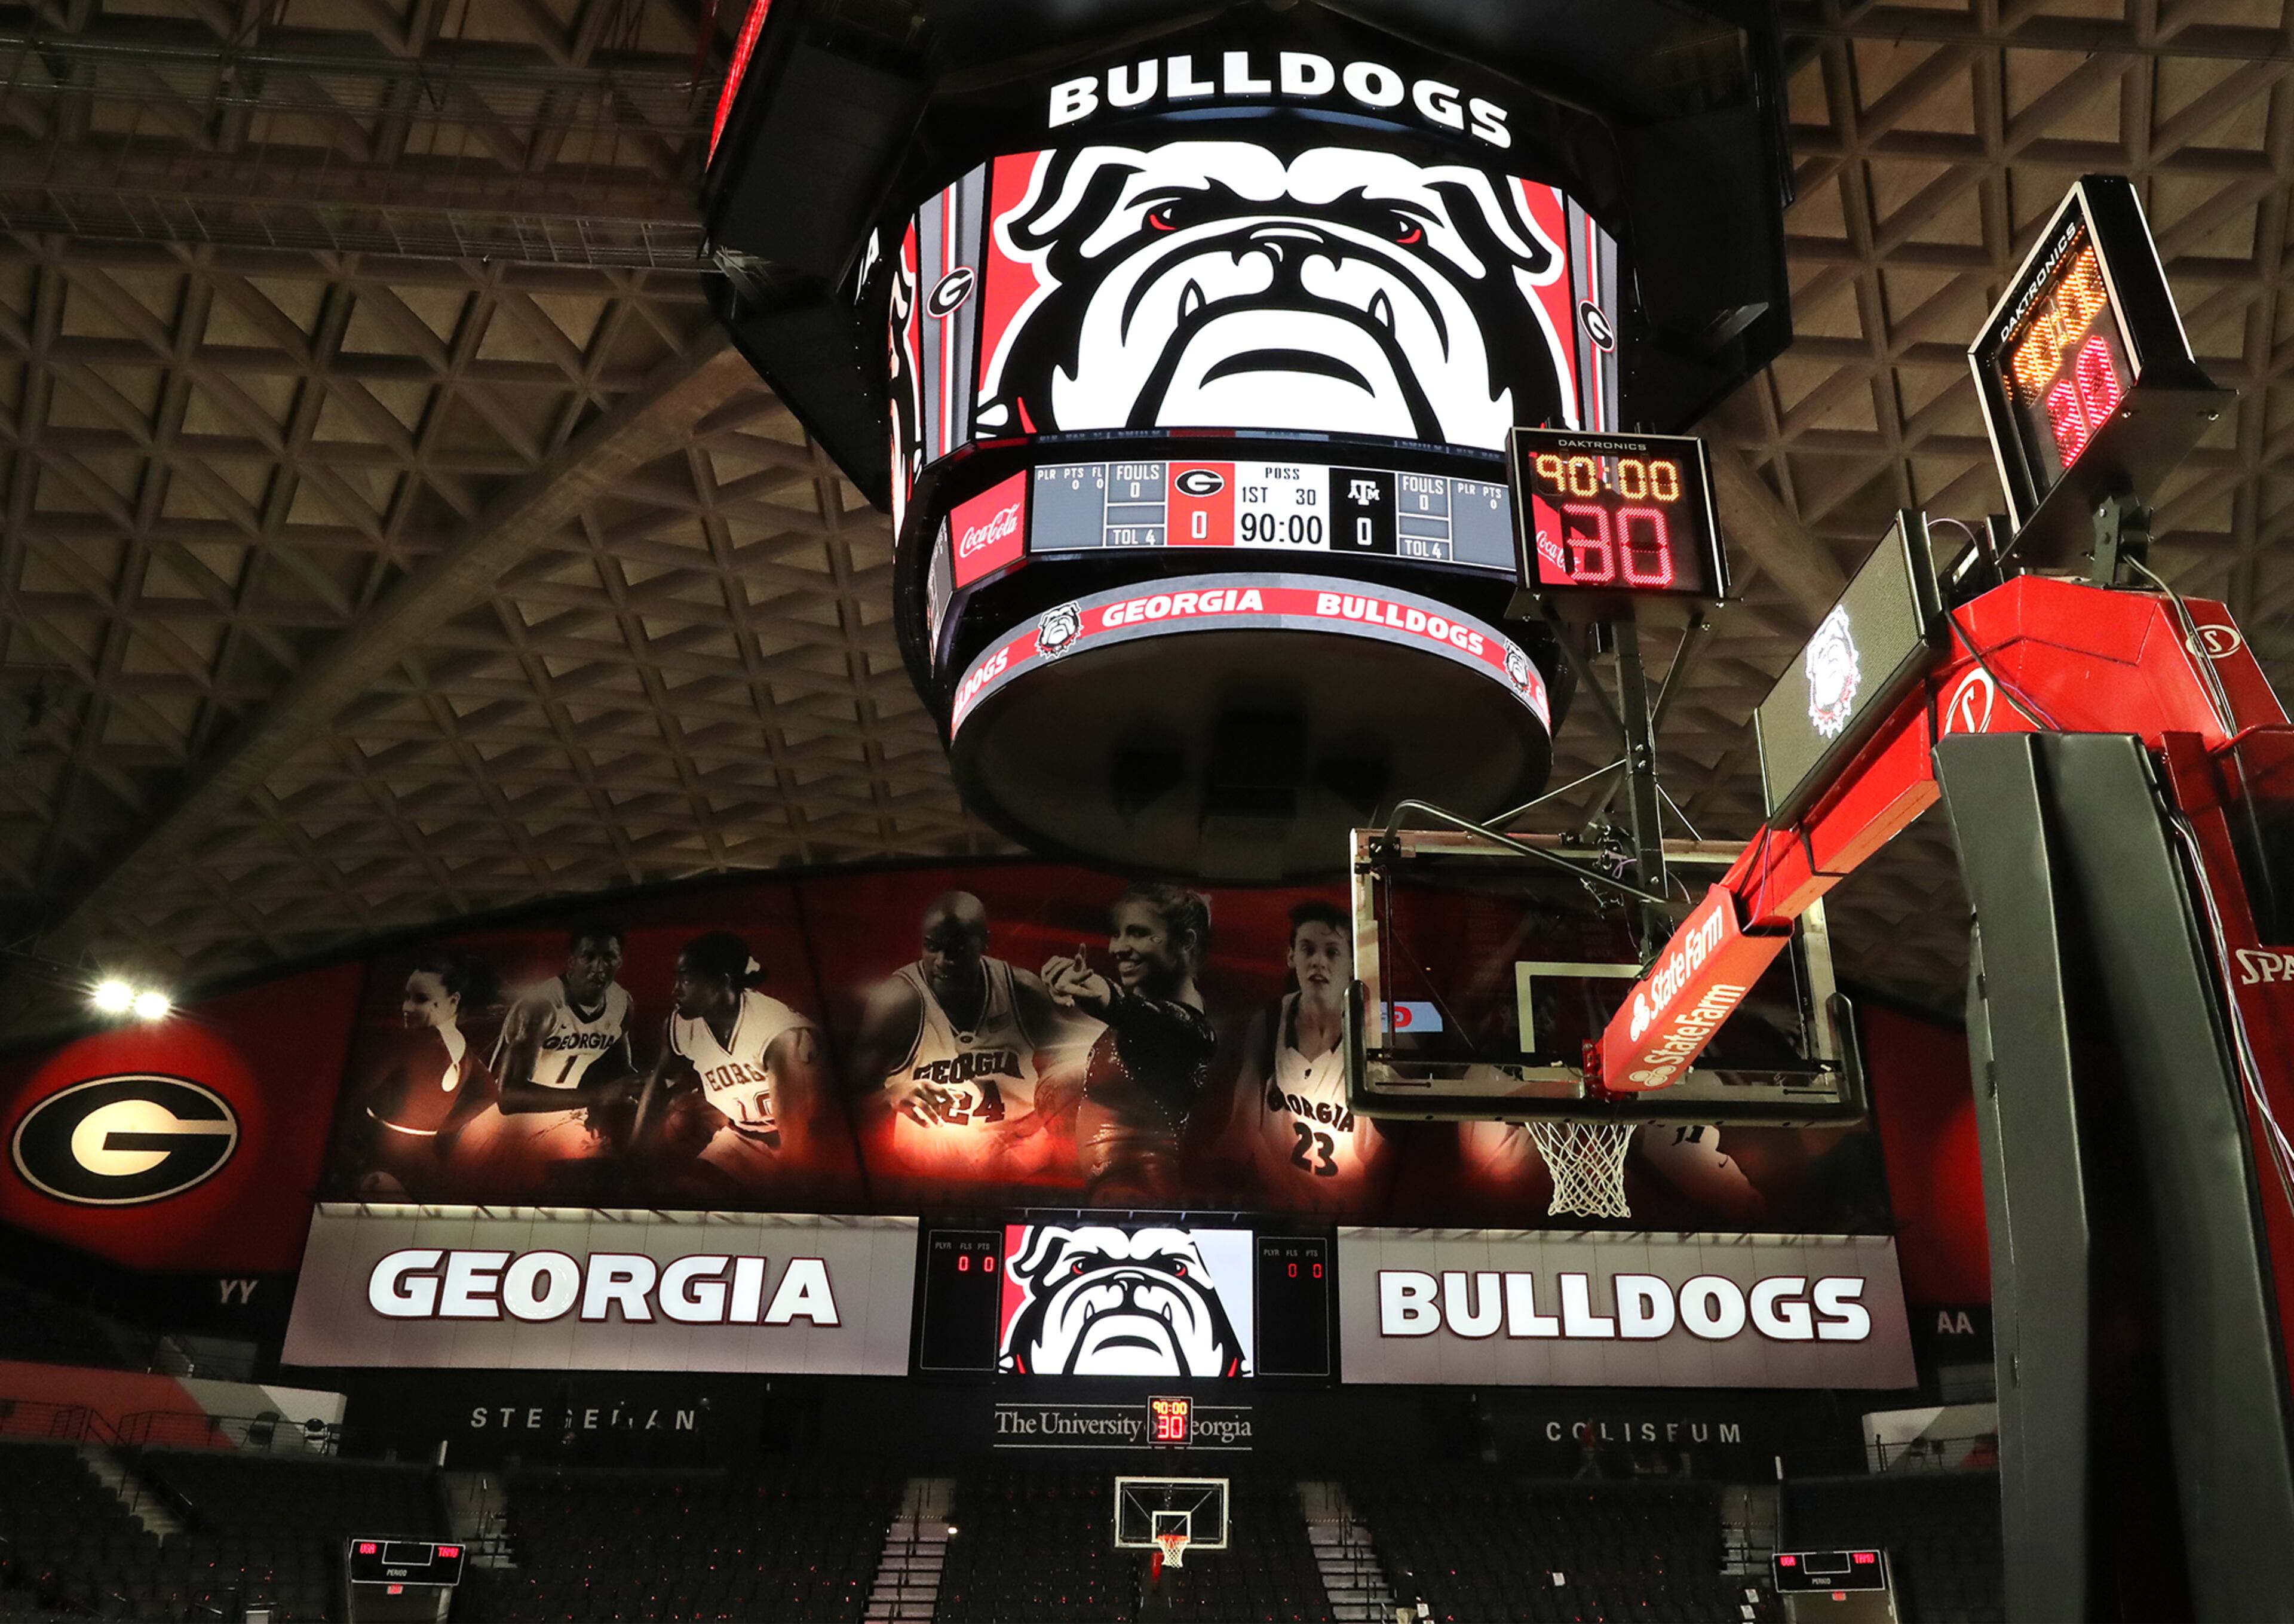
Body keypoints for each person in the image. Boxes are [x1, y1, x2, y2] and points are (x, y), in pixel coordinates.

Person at [847, 891, 1087, 1196]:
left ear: (984, 943)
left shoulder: (1023, 990)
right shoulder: (898, 1002)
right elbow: (846, 1106)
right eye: (932, 947)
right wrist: (892, 1096)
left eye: (957, 949)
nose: (943, 961)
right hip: (928, 1174)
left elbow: (1078, 1068)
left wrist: (1045, 1114)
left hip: (1020, 1167)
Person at [1211, 900, 1390, 1210]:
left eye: (1332, 952)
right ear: (1291, 957)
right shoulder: (1268, 1021)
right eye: (1308, 949)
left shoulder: (1373, 1034)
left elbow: (1387, 1159)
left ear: (1352, 964)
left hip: (1350, 1213)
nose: (1318, 962)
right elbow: (1241, 1127)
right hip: (1277, 1208)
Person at [1042, 885, 1217, 1204]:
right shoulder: (1146, 1021)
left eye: (1138, 934)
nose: (1117, 948)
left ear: (1186, 942)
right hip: (1117, 1207)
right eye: (1118, 934)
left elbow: (1153, 1021)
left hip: (1142, 1207)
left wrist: (1104, 997)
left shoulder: (1184, 1032)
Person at [627, 931, 832, 1201]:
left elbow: (796, 1134)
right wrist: (636, 1150)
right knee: (688, 1196)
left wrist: (785, 1196)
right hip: (746, 1136)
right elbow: (663, 1079)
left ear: (720, 983)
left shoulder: (778, 1035)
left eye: (687, 980)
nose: (675, 990)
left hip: (814, 1143)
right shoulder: (681, 1024)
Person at [458, 923, 639, 1181]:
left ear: (619, 961)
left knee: (615, 1172)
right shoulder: (542, 1008)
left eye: (608, 957)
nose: (599, 967)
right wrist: (597, 1096)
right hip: (504, 1126)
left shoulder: (622, 1003)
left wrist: (654, 1087)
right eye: (589, 957)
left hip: (560, 1119)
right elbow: (509, 1097)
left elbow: (622, 1073)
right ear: (571, 962)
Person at [353, 951, 501, 1198]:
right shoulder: (466, 1052)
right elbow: (490, 1093)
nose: (406, 1007)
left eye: (420, 999)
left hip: (383, 1157)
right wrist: (444, 1128)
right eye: (407, 997)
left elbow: (355, 1092)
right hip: (424, 1163)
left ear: (453, 1001)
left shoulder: (409, 1042)